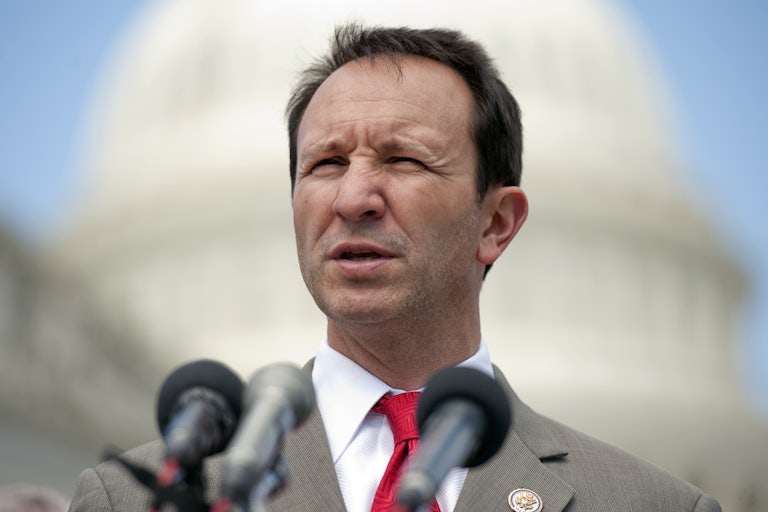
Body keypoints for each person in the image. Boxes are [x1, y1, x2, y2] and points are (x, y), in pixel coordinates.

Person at [69, 23, 721, 512]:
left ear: (495, 223)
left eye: (404, 161)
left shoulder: (648, 504)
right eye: (325, 164)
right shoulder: (139, 497)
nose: (352, 199)